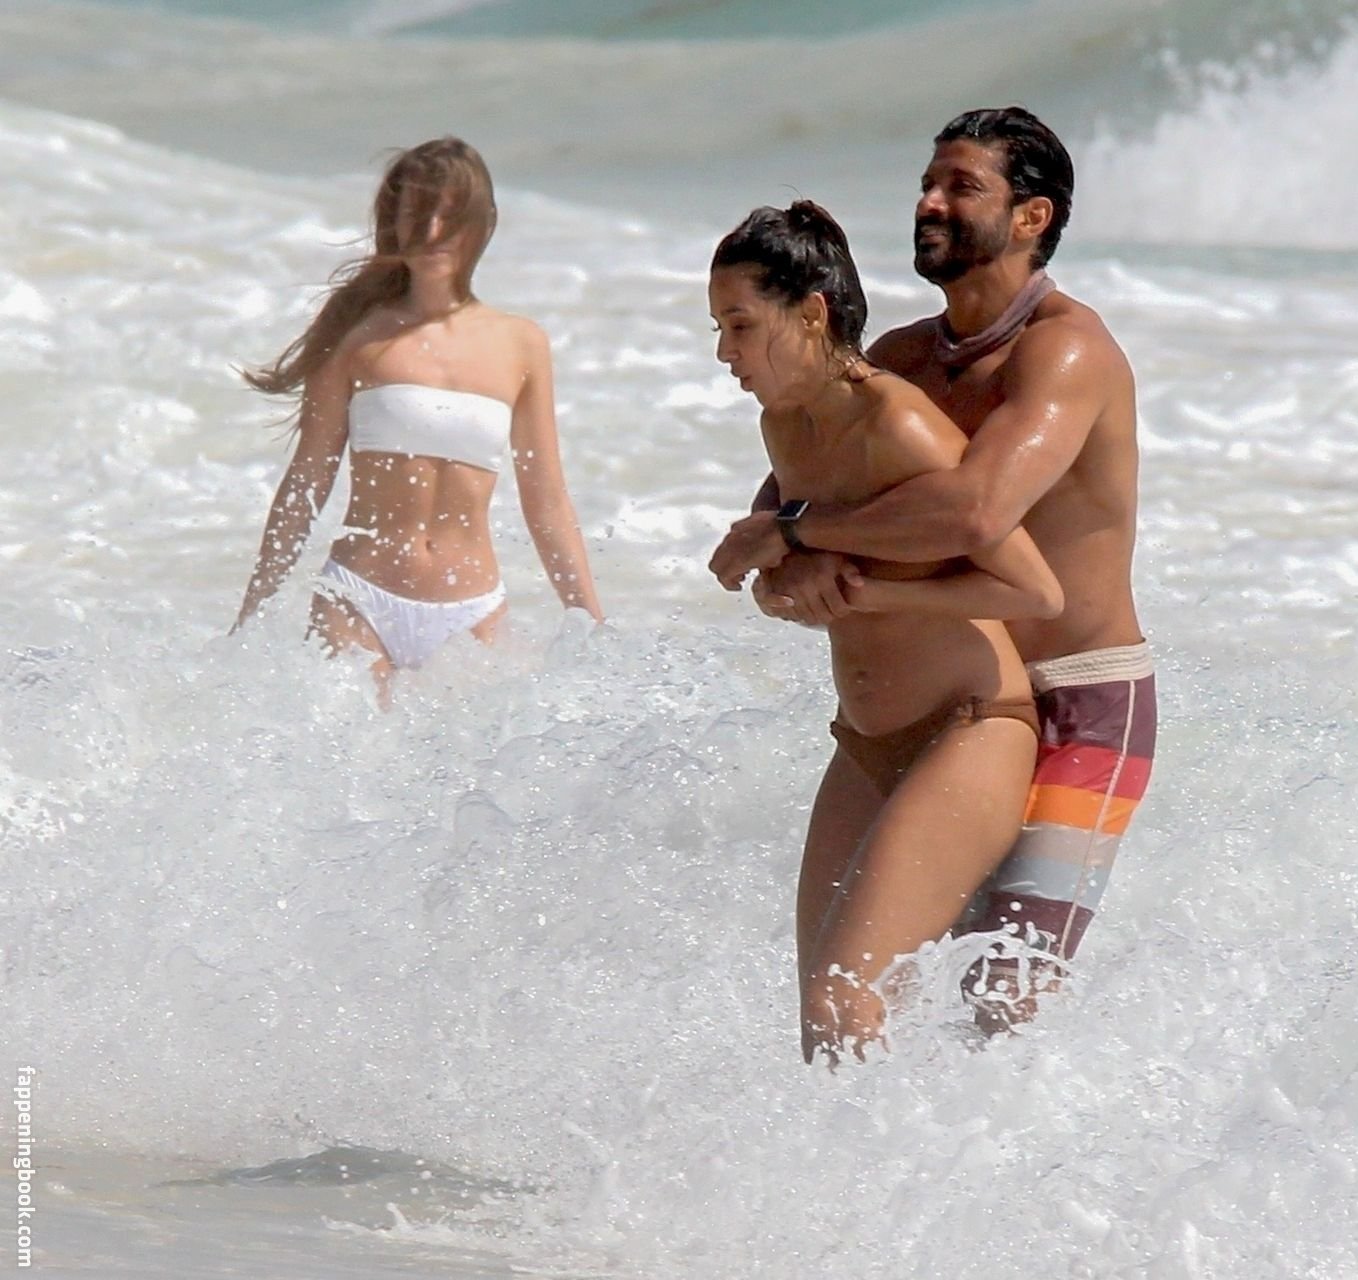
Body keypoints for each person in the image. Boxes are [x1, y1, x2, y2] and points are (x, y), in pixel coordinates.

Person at [709, 107, 1153, 1031]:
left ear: (1030, 217)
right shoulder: (903, 359)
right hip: (946, 688)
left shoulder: (1065, 350)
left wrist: (799, 535)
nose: (930, 202)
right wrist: (791, 563)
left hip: (1080, 698)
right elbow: (781, 518)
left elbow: (976, 511)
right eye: (927, 183)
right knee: (873, 1002)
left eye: (961, 186)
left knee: (1001, 1003)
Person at [709, 200, 1064, 1063]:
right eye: (718, 328)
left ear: (812, 313)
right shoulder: (784, 426)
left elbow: (1032, 589)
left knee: (844, 1002)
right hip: (866, 743)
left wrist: (865, 594)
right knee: (826, 1030)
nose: (724, 352)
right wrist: (795, 586)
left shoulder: (895, 423)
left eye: (741, 325)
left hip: (969, 730)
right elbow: (779, 589)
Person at [233, 137, 603, 693]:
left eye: (449, 217)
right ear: (393, 223)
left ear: (483, 223)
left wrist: (591, 624)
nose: (432, 232)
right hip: (358, 599)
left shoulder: (521, 344)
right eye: (416, 216)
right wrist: (253, 610)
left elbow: (546, 499)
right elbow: (307, 480)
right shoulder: (356, 336)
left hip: (472, 612)